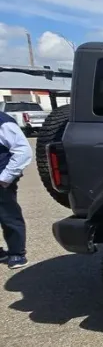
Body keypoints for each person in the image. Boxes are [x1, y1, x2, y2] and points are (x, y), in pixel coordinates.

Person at [0, 108, 33, 269]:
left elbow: (23, 151)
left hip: (1, 180)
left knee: (8, 216)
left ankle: (17, 253)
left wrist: (5, 178)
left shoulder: (3, 122)